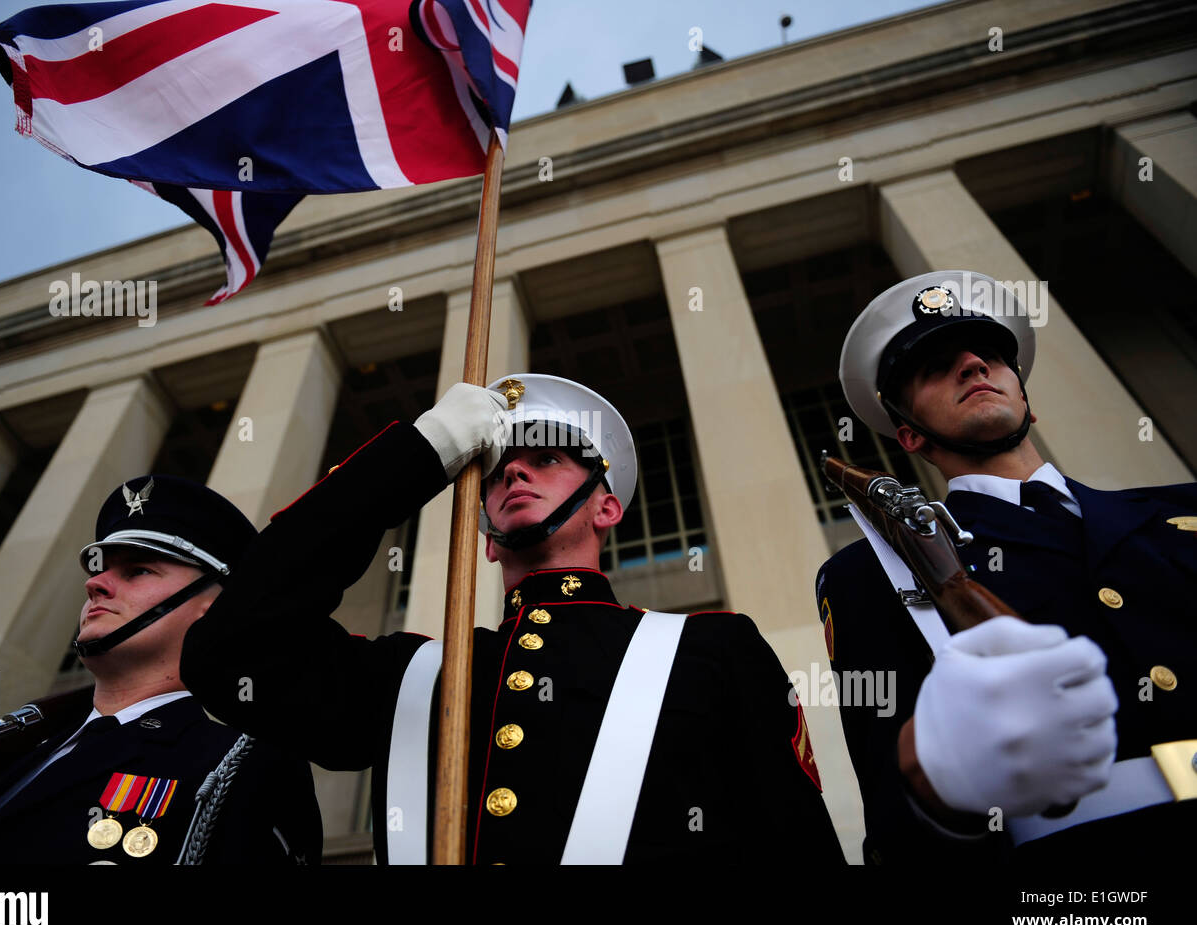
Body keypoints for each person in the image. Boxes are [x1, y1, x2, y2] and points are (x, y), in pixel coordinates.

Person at [180, 373, 844, 864]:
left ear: (606, 508)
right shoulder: (415, 677)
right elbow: (230, 649)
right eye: (496, 472)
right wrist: (419, 452)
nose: (515, 471)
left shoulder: (711, 650)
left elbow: (796, 844)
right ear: (488, 538)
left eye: (548, 459)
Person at [817, 270, 1197, 864]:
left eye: (989, 354)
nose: (972, 363)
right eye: (937, 366)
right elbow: (899, 833)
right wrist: (937, 784)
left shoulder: (1182, 512)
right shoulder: (874, 572)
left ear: (1028, 400)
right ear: (909, 436)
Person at [0, 475, 323, 865]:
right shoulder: (2, 755)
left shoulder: (240, 764)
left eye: (138, 570)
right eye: (101, 569)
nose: (94, 584)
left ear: (212, 610)